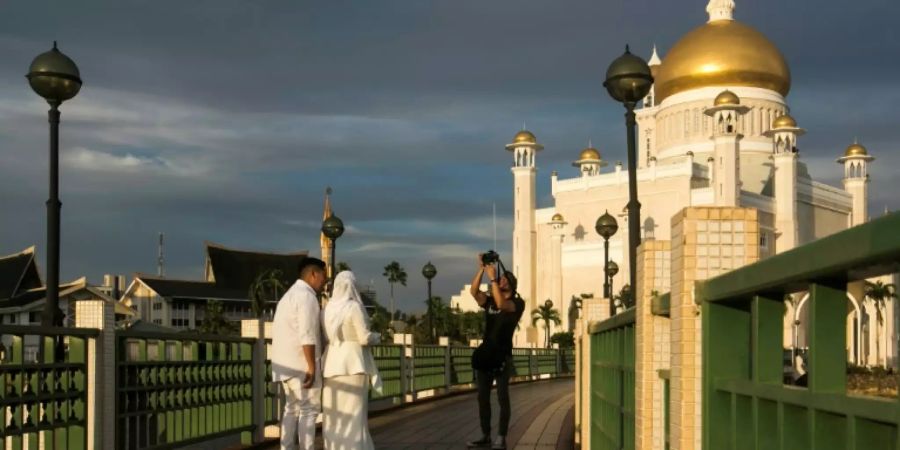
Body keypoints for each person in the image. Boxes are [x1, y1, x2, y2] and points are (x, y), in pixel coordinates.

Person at [467, 253, 526, 449]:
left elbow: (502, 304)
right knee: (482, 398)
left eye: (503, 278)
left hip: (502, 357)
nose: (500, 279)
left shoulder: (517, 304)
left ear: (511, 284)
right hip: (486, 356)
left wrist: (493, 278)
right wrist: (482, 269)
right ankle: (485, 435)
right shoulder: (490, 300)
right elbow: (474, 292)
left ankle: (501, 436)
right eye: (499, 278)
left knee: (502, 398)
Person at [321, 270, 382, 450]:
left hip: (332, 365)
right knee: (355, 416)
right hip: (354, 365)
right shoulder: (353, 308)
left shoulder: (327, 309)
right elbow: (364, 338)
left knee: (334, 416)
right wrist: (377, 337)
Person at [272, 257, 328, 450]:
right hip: (300, 365)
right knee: (309, 411)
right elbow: (307, 334)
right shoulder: (307, 297)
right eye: (324, 276)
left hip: (284, 365)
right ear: (314, 274)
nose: (325, 282)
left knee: (291, 409)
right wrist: (312, 367)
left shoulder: (288, 296)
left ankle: (286, 448)